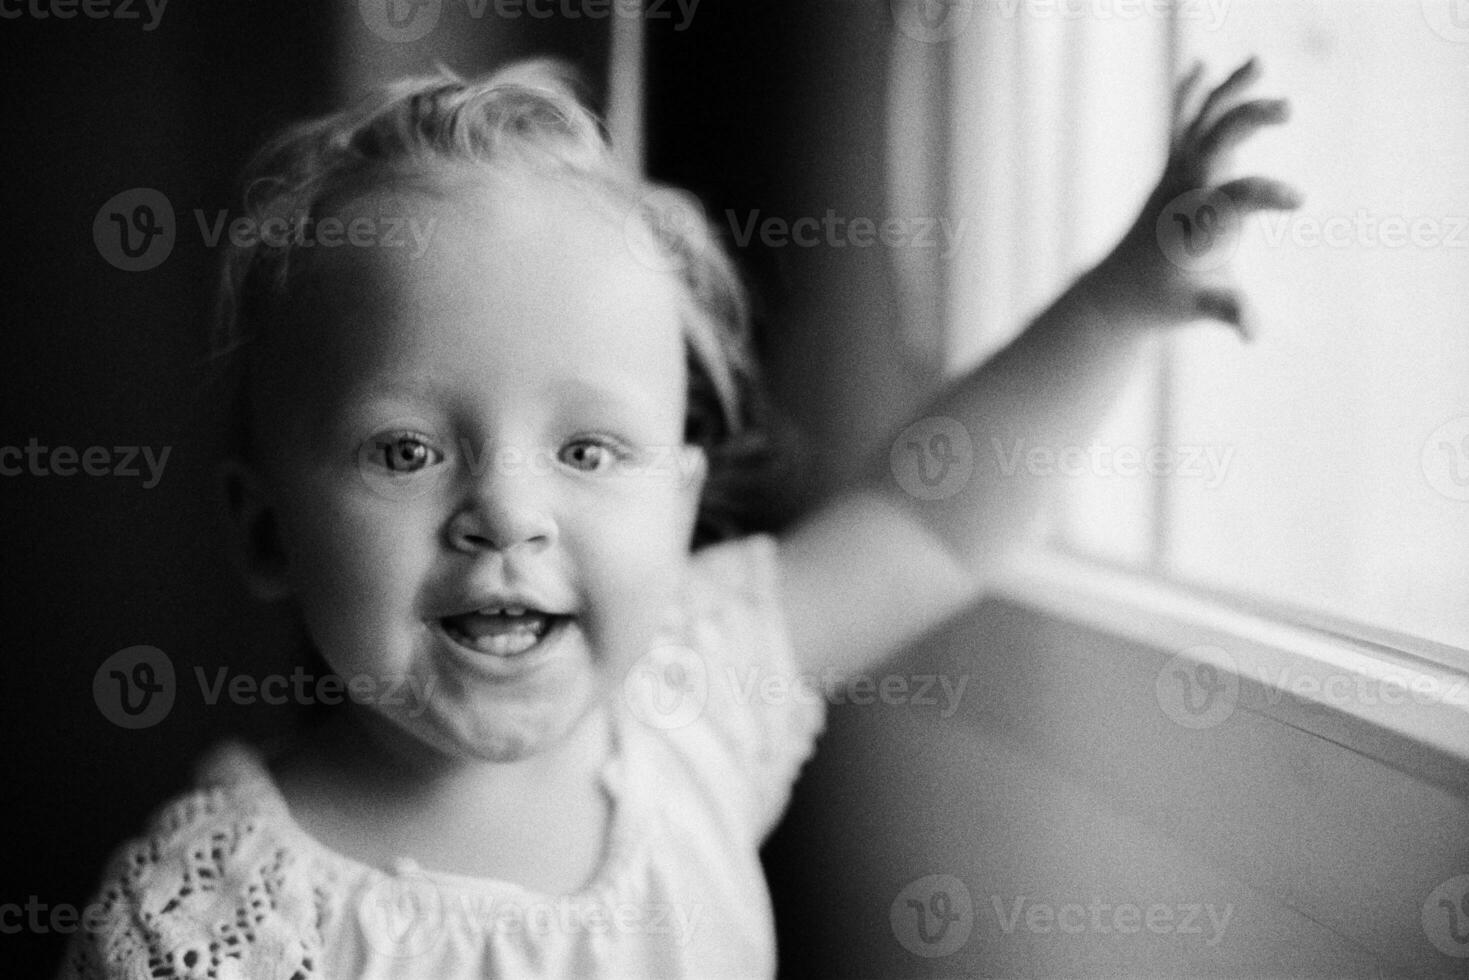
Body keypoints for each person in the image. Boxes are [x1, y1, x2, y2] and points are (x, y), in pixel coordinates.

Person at [59, 55, 1297, 978]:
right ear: (267, 529)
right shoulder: (205, 924)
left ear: (681, 507)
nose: (505, 510)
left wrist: (1123, 299)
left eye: (588, 447)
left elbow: (931, 522)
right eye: (407, 448)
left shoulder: (697, 692)